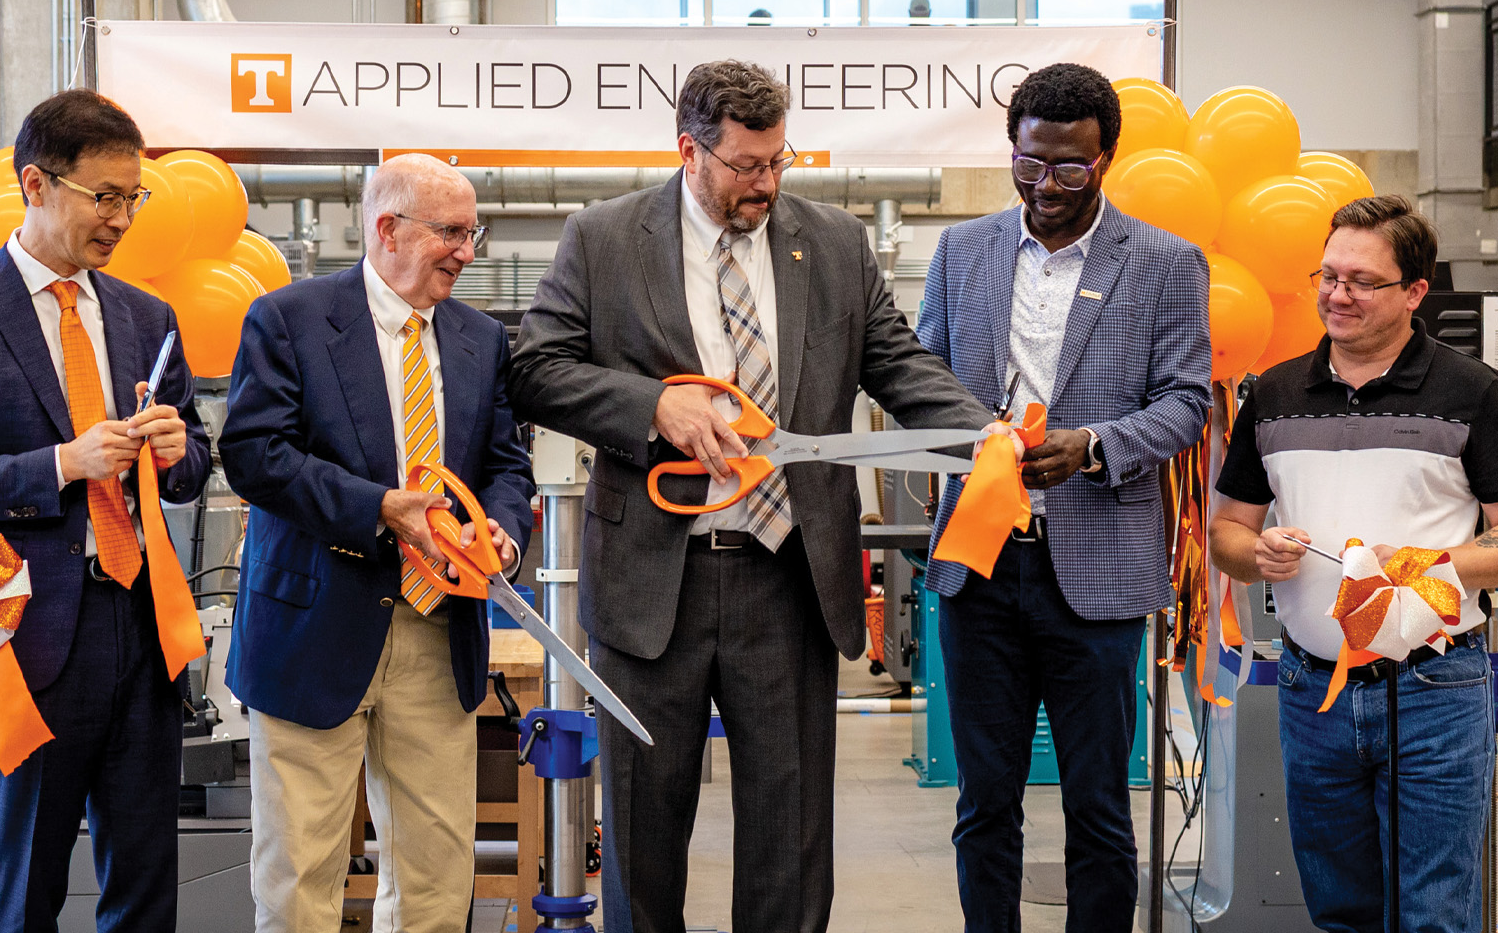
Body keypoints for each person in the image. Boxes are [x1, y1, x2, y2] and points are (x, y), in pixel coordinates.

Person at [510, 59, 994, 933]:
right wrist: (652, 406)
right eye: (745, 166)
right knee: (643, 835)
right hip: (652, 582)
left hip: (789, 578)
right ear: (689, 150)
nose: (766, 183)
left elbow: (897, 362)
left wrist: (984, 434)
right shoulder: (604, 238)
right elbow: (537, 370)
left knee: (790, 837)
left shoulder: (835, 243)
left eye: (778, 161)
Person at [917, 61, 1211, 933]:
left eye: (1070, 169)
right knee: (984, 803)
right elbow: (921, 374)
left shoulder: (1165, 263)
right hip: (978, 566)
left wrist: (1095, 448)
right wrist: (963, 435)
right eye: (1030, 164)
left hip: (1099, 573)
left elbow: (1186, 403)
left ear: (1106, 158)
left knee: (1098, 805)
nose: (1046, 187)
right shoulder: (962, 251)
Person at [219, 153, 536, 933]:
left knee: (437, 878)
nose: (467, 252)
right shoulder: (288, 319)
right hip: (312, 629)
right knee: (300, 877)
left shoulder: (480, 338)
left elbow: (506, 465)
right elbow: (255, 455)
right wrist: (382, 508)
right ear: (388, 230)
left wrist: (500, 533)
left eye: (474, 233)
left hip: (438, 629)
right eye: (451, 233)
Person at [1210, 195, 1498, 933]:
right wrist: (1257, 553)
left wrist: (1425, 567)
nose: (1338, 295)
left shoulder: (1474, 393)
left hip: (1436, 688)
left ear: (1414, 291)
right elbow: (1227, 534)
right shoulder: (1273, 395)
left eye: (1363, 281)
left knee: (1433, 914)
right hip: (1313, 692)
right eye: (1329, 276)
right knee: (1341, 912)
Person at [0, 90, 212, 932]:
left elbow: (193, 468)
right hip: (29, 638)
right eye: (106, 197)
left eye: (134, 197)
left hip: (144, 630)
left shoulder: (144, 316)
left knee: (146, 886)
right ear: (36, 185)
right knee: (25, 888)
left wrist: (175, 449)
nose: (122, 219)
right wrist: (62, 464)